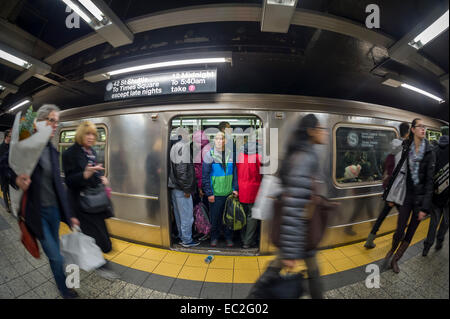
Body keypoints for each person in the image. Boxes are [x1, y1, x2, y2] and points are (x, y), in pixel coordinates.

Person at [0, 104, 80, 299]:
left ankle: (66, 286)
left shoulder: (51, 150)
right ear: (40, 122)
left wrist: (70, 215)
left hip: (53, 212)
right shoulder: (26, 143)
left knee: (59, 255)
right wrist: (15, 178)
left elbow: (58, 186)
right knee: (56, 256)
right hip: (37, 213)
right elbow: (4, 164)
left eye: (56, 121)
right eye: (50, 120)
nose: (54, 125)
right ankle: (65, 290)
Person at [274, 113, 328, 299]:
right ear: (311, 131)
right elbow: (294, 207)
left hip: (302, 232)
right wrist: (290, 252)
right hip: (299, 232)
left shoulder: (306, 154)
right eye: (321, 129)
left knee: (312, 272)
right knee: (277, 271)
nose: (325, 133)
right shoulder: (304, 158)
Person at [62, 121, 119, 279]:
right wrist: (84, 175)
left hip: (95, 202)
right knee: (94, 238)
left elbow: (94, 173)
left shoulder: (92, 152)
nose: (91, 137)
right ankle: (92, 266)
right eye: (87, 134)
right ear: (81, 134)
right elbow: (69, 182)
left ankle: (97, 261)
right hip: (81, 204)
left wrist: (101, 178)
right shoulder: (69, 154)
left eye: (93, 134)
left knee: (103, 240)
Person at [383, 118, 436, 273]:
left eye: (424, 127)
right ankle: (392, 249)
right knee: (400, 230)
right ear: (412, 129)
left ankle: (395, 260)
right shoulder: (407, 146)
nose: (423, 129)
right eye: (420, 127)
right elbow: (397, 169)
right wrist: (390, 194)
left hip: (419, 201)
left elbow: (429, 182)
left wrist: (425, 207)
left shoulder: (429, 151)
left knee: (410, 233)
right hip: (406, 196)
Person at [364, 122, 410, 248]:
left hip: (389, 187)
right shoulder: (405, 148)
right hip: (397, 188)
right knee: (403, 215)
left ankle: (369, 240)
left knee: (383, 215)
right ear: (408, 132)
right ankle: (403, 237)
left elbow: (388, 166)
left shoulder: (393, 145)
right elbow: (400, 171)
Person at [202, 131, 239, 247]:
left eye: (221, 139)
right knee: (215, 218)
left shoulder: (231, 155)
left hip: (229, 193)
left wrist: (235, 188)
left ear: (225, 141)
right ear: (214, 141)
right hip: (215, 194)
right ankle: (214, 237)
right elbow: (205, 176)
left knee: (228, 218)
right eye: (217, 139)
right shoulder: (209, 155)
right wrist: (209, 193)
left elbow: (235, 174)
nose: (219, 141)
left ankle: (228, 237)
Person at [168, 129, 200, 248]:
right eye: (188, 134)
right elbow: (182, 170)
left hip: (175, 188)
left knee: (179, 215)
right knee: (186, 216)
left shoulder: (175, 146)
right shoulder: (183, 147)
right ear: (182, 135)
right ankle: (187, 240)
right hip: (182, 189)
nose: (190, 136)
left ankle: (182, 237)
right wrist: (187, 189)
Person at [423, 126, 449, 256]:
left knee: (433, 221)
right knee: (446, 221)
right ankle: (439, 242)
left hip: (436, 193)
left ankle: (427, 247)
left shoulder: (434, 149)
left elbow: (429, 171)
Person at [236, 130, 262, 249]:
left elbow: (236, 171)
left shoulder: (240, 155)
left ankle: (242, 238)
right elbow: (262, 174)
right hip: (254, 190)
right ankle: (248, 241)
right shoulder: (258, 156)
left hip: (242, 190)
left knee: (243, 214)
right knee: (252, 217)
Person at [0, 129, 12, 213]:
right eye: (10, 136)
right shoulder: (1, 147)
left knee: (10, 189)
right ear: (6, 137)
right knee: (4, 189)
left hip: (10, 172)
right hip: (3, 173)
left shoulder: (12, 146)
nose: (11, 138)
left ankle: (11, 202)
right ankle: (7, 206)